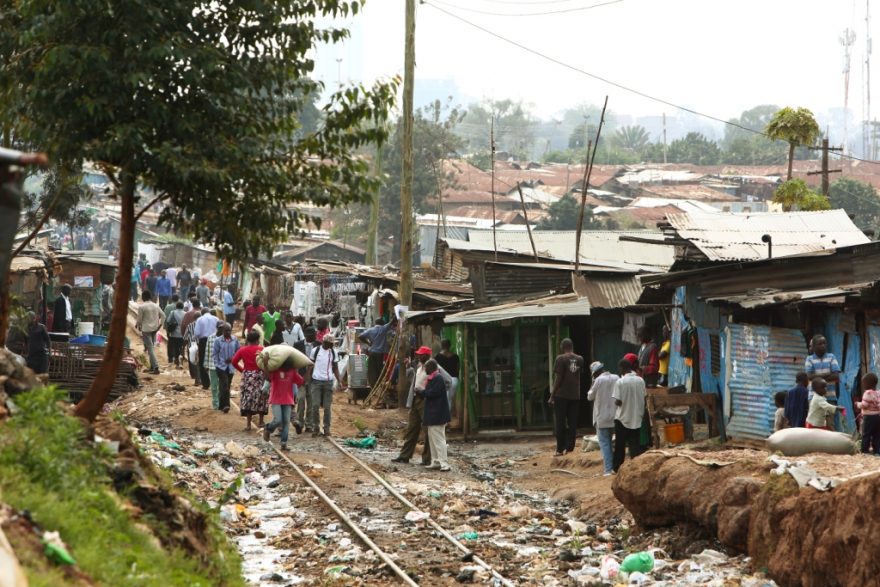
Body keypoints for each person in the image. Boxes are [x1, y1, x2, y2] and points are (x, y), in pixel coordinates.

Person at [393, 346, 453, 465]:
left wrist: (433, 393)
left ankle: (427, 459)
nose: (419, 356)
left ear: (427, 355)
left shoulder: (435, 367)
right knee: (412, 428)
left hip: (426, 400)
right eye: (418, 354)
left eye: (421, 355)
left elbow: (448, 381)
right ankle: (405, 455)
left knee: (428, 431)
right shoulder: (420, 367)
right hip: (416, 399)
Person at [549, 338, 584, 457]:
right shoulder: (580, 359)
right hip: (575, 395)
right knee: (573, 422)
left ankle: (560, 449)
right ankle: (569, 448)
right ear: (572, 346)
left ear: (562, 346)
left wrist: (552, 395)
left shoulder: (560, 359)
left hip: (561, 395)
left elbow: (558, 379)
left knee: (560, 422)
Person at [263, 357, 304, 451]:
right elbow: (267, 377)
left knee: (286, 422)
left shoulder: (292, 371)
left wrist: (309, 369)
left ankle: (284, 443)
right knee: (278, 420)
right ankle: (268, 428)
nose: (287, 368)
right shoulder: (275, 370)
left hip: (288, 399)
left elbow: (301, 381)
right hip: (276, 398)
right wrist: (265, 365)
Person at [613, 359, 646, 472]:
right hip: (636, 417)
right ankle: (635, 468)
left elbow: (618, 401)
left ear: (622, 368)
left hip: (622, 417)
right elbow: (644, 396)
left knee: (620, 445)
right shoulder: (640, 380)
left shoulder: (620, 382)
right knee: (634, 444)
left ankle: (617, 468)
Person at [231, 331, 268, 431]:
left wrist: (243, 370)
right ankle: (261, 421)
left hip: (248, 376)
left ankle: (248, 424)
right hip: (259, 375)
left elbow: (234, 361)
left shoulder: (242, 350)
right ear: (257, 340)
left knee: (248, 398)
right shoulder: (262, 349)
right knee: (261, 397)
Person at [419, 359, 451, 472]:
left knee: (439, 440)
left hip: (437, 414)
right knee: (433, 439)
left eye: (426, 368)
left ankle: (444, 463)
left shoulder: (438, 378)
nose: (425, 370)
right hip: (434, 414)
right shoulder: (434, 378)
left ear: (432, 368)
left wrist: (422, 392)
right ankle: (436, 461)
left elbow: (433, 393)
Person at [306, 334, 341, 437]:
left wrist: (339, 381)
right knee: (315, 405)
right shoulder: (315, 351)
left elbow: (335, 368)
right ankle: (315, 427)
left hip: (328, 382)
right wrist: (308, 377)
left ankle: (326, 428)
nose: (332, 346)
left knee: (327, 407)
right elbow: (310, 365)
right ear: (325, 342)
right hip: (316, 382)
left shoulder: (334, 353)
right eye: (330, 344)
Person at [587, 361, 618, 476]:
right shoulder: (616, 377)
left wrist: (592, 383)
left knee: (605, 443)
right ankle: (614, 467)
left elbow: (590, 396)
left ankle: (608, 470)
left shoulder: (598, 380)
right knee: (611, 442)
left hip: (601, 417)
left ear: (595, 373)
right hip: (615, 416)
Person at [805, 335, 841, 430]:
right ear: (814, 346)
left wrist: (817, 377)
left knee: (830, 424)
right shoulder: (809, 359)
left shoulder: (831, 357)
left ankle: (830, 444)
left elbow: (836, 375)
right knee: (815, 422)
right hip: (813, 397)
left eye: (824, 343)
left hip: (830, 395)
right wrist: (828, 374)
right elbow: (809, 376)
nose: (823, 345)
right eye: (820, 344)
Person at [358, 317, 396, 389]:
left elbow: (360, 336)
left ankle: (373, 386)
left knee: (372, 369)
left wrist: (368, 343)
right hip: (380, 354)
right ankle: (379, 385)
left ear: (375, 323)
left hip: (372, 352)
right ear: (382, 324)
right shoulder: (383, 328)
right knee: (380, 370)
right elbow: (391, 322)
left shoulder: (370, 330)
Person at [212, 323, 240, 413]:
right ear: (223, 331)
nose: (228, 332)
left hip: (231, 367)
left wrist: (233, 358)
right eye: (226, 331)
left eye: (229, 330)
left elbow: (238, 351)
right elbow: (215, 353)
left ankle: (221, 405)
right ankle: (226, 405)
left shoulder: (235, 339)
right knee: (225, 385)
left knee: (226, 385)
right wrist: (217, 364)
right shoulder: (218, 340)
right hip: (221, 367)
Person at [295, 326, 318, 432]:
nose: (315, 336)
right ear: (307, 336)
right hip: (301, 377)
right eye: (313, 335)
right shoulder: (298, 345)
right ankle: (300, 422)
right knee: (300, 399)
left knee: (311, 401)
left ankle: (309, 424)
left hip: (314, 377)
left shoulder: (318, 345)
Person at [136, 290, 163, 374]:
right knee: (151, 347)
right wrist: (160, 326)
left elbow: (139, 319)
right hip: (154, 330)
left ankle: (156, 367)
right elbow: (163, 315)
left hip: (146, 330)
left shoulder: (142, 307)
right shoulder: (156, 306)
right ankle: (152, 367)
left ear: (143, 297)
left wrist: (138, 325)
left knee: (150, 348)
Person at [194, 306, 220, 389]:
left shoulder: (200, 319)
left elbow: (197, 333)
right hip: (215, 340)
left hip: (203, 341)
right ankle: (216, 381)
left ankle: (206, 384)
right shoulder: (216, 318)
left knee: (203, 361)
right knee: (216, 359)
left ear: (202, 313)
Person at [857, 373, 880, 454]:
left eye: (863, 383)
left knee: (866, 434)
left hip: (869, 418)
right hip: (877, 417)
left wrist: (858, 404)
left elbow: (864, 405)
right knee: (876, 435)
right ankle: (877, 451)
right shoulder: (878, 393)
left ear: (867, 384)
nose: (863, 385)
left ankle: (864, 451)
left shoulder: (867, 393)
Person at [180, 299, 202, 383]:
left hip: (191, 345)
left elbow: (185, 337)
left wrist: (183, 347)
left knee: (192, 360)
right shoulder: (202, 324)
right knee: (200, 361)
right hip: (200, 345)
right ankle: (199, 377)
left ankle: (194, 376)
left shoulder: (190, 324)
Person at [436, 339, 460, 413]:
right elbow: (458, 368)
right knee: (449, 399)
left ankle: (445, 419)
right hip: (454, 380)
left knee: (444, 399)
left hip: (443, 380)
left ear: (442, 346)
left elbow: (436, 370)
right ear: (450, 346)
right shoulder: (456, 356)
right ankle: (447, 418)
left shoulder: (438, 357)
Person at [203, 320, 223, 409]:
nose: (221, 330)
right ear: (217, 328)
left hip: (223, 366)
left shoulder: (226, 338)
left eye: (223, 328)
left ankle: (221, 402)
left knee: (222, 385)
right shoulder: (210, 338)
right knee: (214, 386)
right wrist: (206, 364)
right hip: (212, 365)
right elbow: (207, 351)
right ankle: (216, 404)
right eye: (220, 328)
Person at [166, 301, 185, 368]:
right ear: (183, 307)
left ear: (176, 306)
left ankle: (170, 361)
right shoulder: (185, 313)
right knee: (180, 348)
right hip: (182, 334)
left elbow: (168, 321)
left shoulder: (173, 312)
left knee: (171, 347)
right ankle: (179, 363)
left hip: (173, 333)